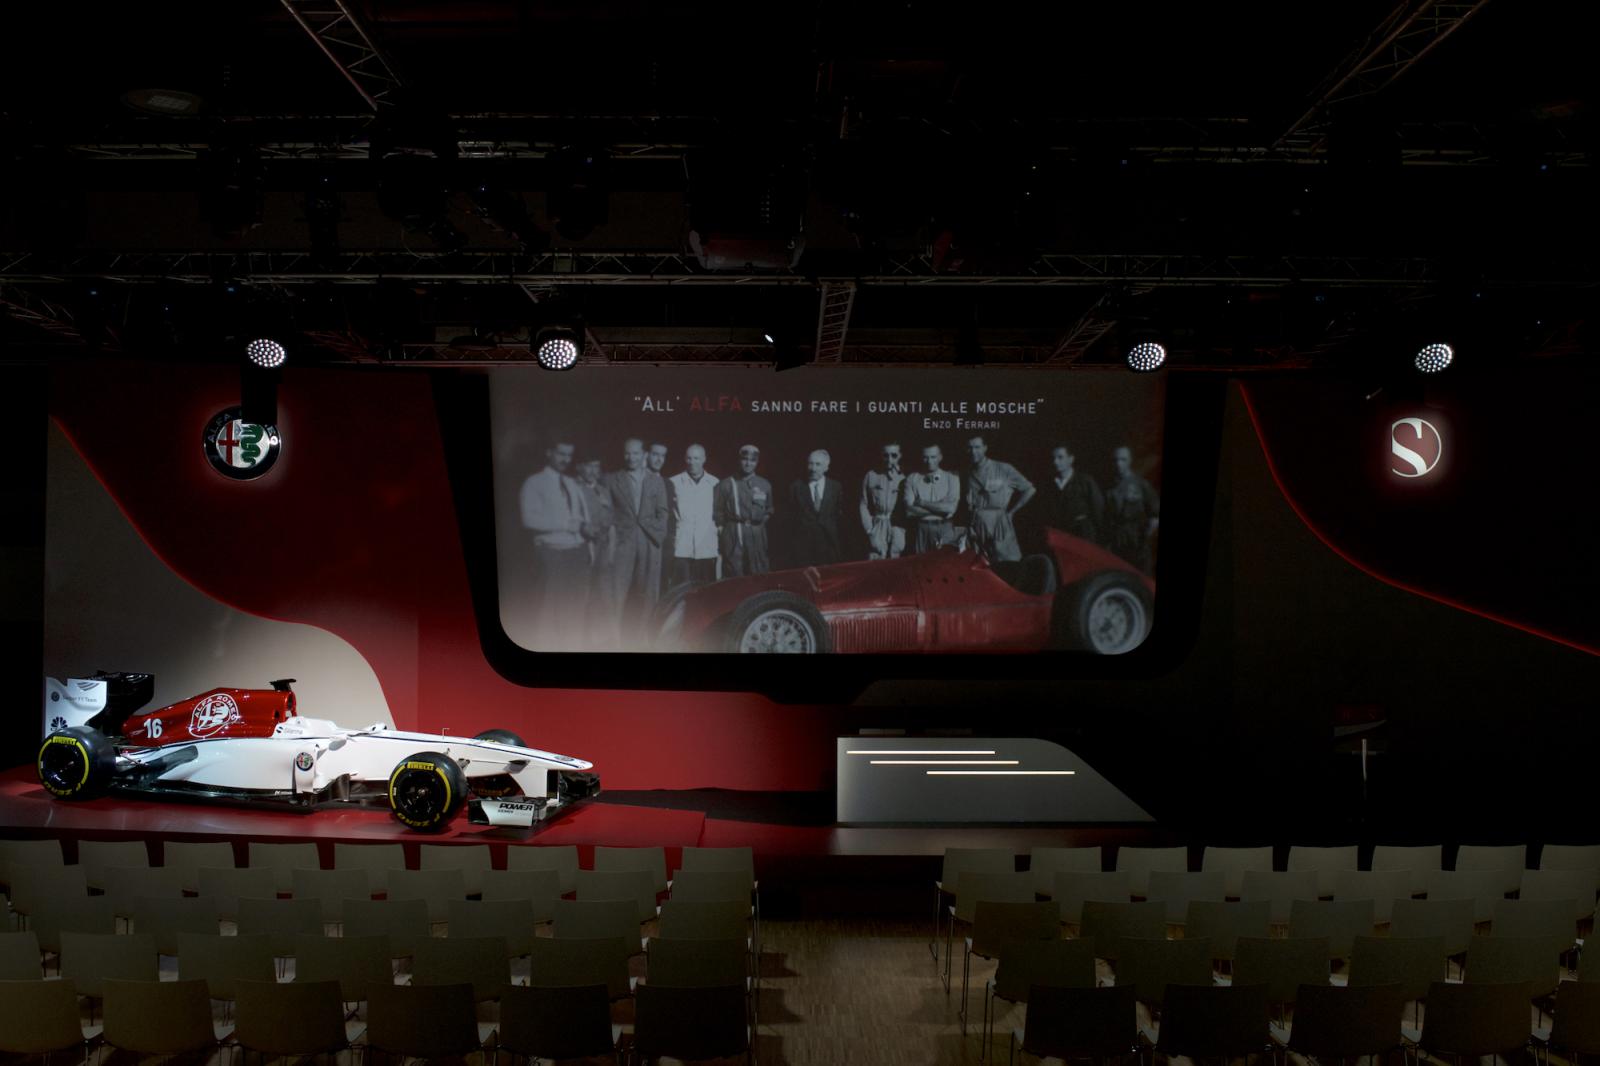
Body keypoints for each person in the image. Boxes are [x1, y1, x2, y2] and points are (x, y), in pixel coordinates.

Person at [518, 439, 595, 649]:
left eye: (569, 455)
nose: (565, 459)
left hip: (577, 553)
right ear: (549, 452)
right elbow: (528, 519)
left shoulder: (571, 483)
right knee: (549, 609)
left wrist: (587, 545)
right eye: (561, 454)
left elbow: (580, 518)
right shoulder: (534, 482)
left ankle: (572, 652)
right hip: (552, 554)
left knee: (575, 609)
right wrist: (565, 525)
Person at [603, 438, 669, 641]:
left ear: (644, 455)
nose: (631, 457)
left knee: (648, 593)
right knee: (617, 591)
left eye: (635, 453)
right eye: (627, 453)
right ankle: (614, 639)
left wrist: (657, 537)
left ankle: (642, 639)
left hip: (650, 542)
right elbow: (607, 512)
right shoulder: (612, 479)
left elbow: (663, 512)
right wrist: (613, 538)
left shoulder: (655, 480)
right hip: (623, 542)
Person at [963, 435, 1035, 562]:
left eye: (977, 447)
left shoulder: (1003, 468)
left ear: (985, 448)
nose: (973, 452)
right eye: (970, 448)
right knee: (982, 565)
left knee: (1007, 563)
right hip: (976, 525)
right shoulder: (968, 473)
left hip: (998, 523)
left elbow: (1029, 489)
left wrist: (1012, 512)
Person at [713, 444, 774, 577]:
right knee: (734, 572)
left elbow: (769, 509)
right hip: (734, 533)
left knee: (759, 572)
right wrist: (726, 533)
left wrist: (757, 525)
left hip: (757, 534)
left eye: (753, 460)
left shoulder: (764, 484)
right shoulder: (726, 484)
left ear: (757, 462)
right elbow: (718, 512)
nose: (748, 464)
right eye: (745, 459)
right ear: (739, 460)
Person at [574, 457, 614, 645]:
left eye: (596, 466)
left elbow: (611, 522)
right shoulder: (575, 489)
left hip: (603, 549)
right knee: (582, 594)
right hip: (582, 548)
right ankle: (579, 638)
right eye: (589, 466)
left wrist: (611, 551)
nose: (593, 471)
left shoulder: (603, 491)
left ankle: (600, 640)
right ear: (580, 467)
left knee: (603, 593)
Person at [667, 444, 720, 586]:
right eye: (689, 458)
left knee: (706, 591)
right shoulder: (674, 482)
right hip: (681, 548)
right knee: (680, 590)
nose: (692, 462)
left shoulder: (715, 483)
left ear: (704, 459)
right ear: (685, 459)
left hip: (707, 548)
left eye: (696, 458)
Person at [1034, 444, 1104, 546]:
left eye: (1060, 457)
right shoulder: (1048, 485)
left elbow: (1098, 510)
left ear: (1071, 459)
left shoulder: (1085, 481)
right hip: (1059, 537)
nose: (1055, 462)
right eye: (1053, 458)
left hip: (1082, 535)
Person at [1106, 445, 1160, 573]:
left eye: (1123, 459)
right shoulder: (1108, 486)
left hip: (1137, 539)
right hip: (1117, 539)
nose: (1119, 464)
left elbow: (1155, 512)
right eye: (1116, 460)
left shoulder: (1140, 484)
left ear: (1130, 461)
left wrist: (1148, 534)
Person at [786, 449, 843, 567]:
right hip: (804, 548)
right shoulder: (796, 487)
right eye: (810, 464)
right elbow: (791, 518)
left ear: (826, 467)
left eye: (818, 464)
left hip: (829, 545)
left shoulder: (835, 487)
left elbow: (839, 514)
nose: (813, 468)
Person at [902, 444, 960, 553]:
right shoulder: (912, 478)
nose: (929, 461)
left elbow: (951, 508)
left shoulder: (952, 478)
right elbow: (909, 511)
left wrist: (922, 503)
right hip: (922, 529)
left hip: (944, 528)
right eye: (926, 457)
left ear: (940, 457)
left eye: (933, 457)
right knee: (921, 562)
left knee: (945, 561)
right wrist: (940, 508)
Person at [859, 442, 906, 560]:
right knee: (875, 558)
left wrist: (901, 530)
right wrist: (869, 529)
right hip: (878, 524)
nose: (889, 459)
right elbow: (863, 504)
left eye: (894, 455)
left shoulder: (904, 477)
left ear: (900, 456)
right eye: (886, 455)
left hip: (897, 525)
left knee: (896, 560)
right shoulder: (871, 475)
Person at [648, 441, 673, 591]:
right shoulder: (638, 480)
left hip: (663, 546)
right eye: (655, 455)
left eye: (662, 456)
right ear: (646, 455)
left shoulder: (668, 484)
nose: (659, 460)